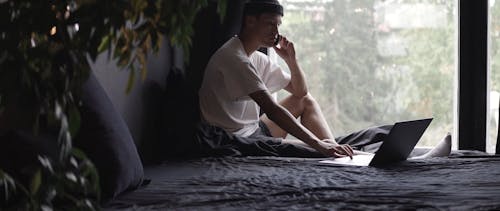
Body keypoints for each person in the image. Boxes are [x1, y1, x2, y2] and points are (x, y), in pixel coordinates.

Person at [198, 0, 354, 158]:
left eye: (278, 25)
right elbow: (273, 111)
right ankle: (332, 151)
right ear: (250, 21)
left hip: (254, 129)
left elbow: (300, 92)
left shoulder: (256, 57)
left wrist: (291, 60)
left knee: (305, 101)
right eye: (270, 24)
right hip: (236, 139)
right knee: (314, 149)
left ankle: (334, 149)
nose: (276, 32)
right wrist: (317, 143)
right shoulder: (235, 58)